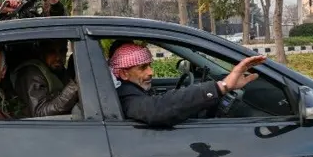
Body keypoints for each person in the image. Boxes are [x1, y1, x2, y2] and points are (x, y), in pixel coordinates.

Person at [109, 42, 267, 127]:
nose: (151, 72)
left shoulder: (131, 90)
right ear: (124, 74)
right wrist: (221, 87)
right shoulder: (126, 97)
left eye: (150, 65)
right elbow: (157, 109)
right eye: (142, 68)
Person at [12, 39, 80, 118]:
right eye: (52, 52)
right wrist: (73, 88)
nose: (58, 57)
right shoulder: (32, 74)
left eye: (62, 51)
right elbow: (39, 113)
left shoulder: (59, 71)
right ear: (42, 53)